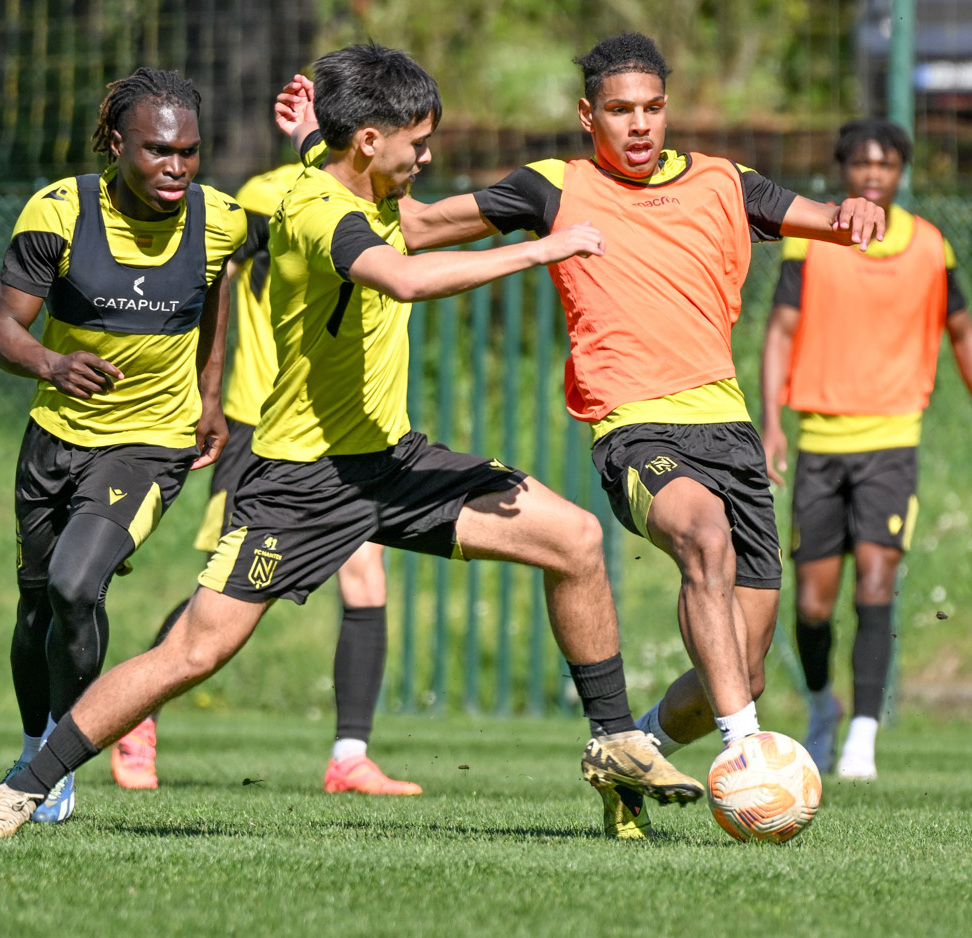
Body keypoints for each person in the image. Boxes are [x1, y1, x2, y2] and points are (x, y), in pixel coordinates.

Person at [0, 43, 701, 840]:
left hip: (391, 461)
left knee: (577, 539)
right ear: (372, 143)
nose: (428, 156)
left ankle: (616, 742)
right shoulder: (319, 211)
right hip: (302, 480)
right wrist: (543, 246)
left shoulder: (366, 174)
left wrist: (318, 129)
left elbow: (370, 181)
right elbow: (404, 274)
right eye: (419, 142)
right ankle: (26, 783)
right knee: (195, 653)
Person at [330, 32, 886, 838]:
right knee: (701, 536)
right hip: (636, 429)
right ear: (588, 115)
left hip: (726, 430)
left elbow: (835, 220)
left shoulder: (724, 182)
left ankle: (634, 749)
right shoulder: (555, 187)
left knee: (745, 661)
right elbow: (414, 227)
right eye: (620, 110)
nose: (639, 125)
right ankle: (749, 751)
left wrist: (857, 212)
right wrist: (326, 146)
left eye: (653, 109)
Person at [112, 111, 419, 797]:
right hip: (264, 423)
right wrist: (209, 391)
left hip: (339, 432)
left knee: (365, 581)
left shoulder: (383, 200)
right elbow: (215, 277)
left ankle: (349, 756)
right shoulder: (269, 193)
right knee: (226, 596)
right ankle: (137, 709)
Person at [0, 67, 246, 825]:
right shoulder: (59, 212)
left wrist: (212, 394)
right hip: (55, 435)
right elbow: (1, 329)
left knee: (75, 585)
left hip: (151, 443)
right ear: (116, 143)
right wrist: (52, 364)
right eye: (159, 151)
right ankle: (33, 749)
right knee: (35, 609)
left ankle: (58, 763)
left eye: (189, 153)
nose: (176, 167)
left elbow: (216, 294)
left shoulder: (218, 219)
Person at [760, 118, 972, 782]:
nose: (875, 174)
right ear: (842, 169)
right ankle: (822, 708)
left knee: (876, 580)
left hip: (892, 442)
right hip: (820, 442)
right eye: (863, 163)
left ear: (902, 172)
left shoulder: (929, 246)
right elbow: (780, 332)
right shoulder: (810, 242)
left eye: (888, 164)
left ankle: (863, 738)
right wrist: (771, 424)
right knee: (813, 603)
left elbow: (965, 336)